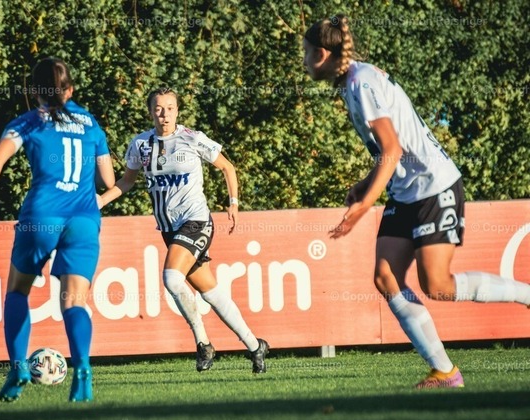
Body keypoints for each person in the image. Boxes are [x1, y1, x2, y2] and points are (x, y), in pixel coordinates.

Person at [303, 14, 530, 388]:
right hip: (406, 191)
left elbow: (392, 149)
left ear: (322, 54)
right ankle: (445, 372)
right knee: (385, 277)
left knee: (438, 285)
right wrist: (365, 184)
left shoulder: (360, 83)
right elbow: (390, 150)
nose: (304, 61)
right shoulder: (353, 82)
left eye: (306, 52)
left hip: (433, 186)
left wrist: (364, 206)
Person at [0, 57, 115, 402]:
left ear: (35, 91)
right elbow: (108, 179)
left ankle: (18, 366)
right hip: (83, 220)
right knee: (75, 301)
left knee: (18, 292)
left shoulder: (30, 121)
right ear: (70, 90)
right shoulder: (90, 122)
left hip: (41, 216)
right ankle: (83, 369)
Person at [98, 87, 269, 373]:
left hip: (196, 221)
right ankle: (255, 346)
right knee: (210, 292)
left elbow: (227, 168)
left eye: (170, 108)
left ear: (177, 111)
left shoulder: (192, 138)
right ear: (150, 111)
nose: (164, 114)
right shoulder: (140, 144)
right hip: (170, 229)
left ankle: (203, 344)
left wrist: (234, 203)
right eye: (158, 108)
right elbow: (126, 182)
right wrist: (101, 201)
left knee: (171, 278)